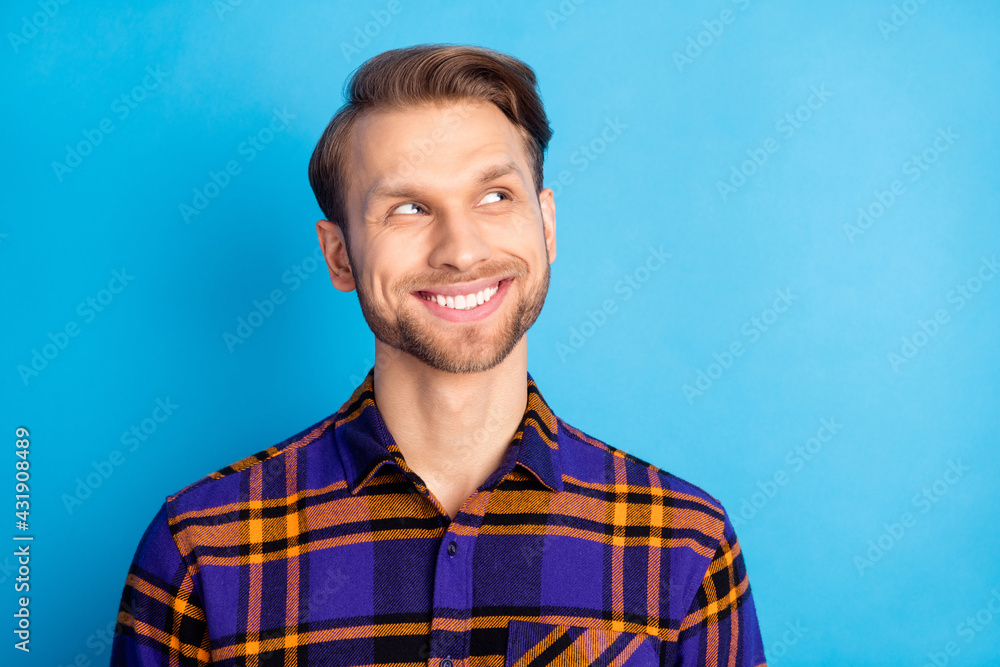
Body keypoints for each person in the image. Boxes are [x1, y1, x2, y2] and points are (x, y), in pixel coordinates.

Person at [111, 43, 768, 666]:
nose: (460, 249)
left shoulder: (686, 541)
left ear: (546, 225)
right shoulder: (201, 548)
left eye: (494, 197)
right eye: (408, 208)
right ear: (340, 255)